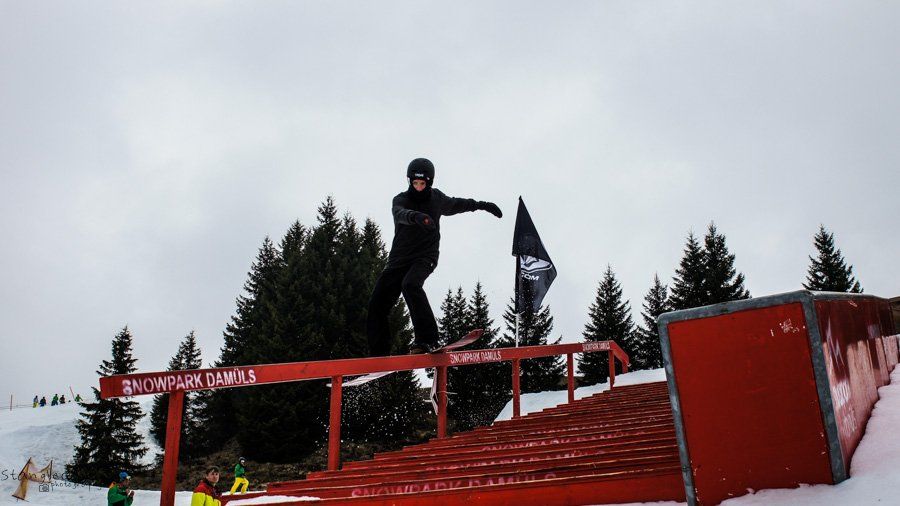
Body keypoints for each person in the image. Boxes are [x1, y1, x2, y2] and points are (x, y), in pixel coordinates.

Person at [367, 158, 502, 355]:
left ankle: (427, 340)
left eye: (422, 184)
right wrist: (416, 217)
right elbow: (399, 213)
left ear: (429, 182)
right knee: (377, 303)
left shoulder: (437, 199)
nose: (418, 188)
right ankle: (378, 355)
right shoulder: (401, 199)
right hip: (398, 260)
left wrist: (484, 205)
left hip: (425, 257)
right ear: (409, 181)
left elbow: (460, 204)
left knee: (410, 285)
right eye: (415, 183)